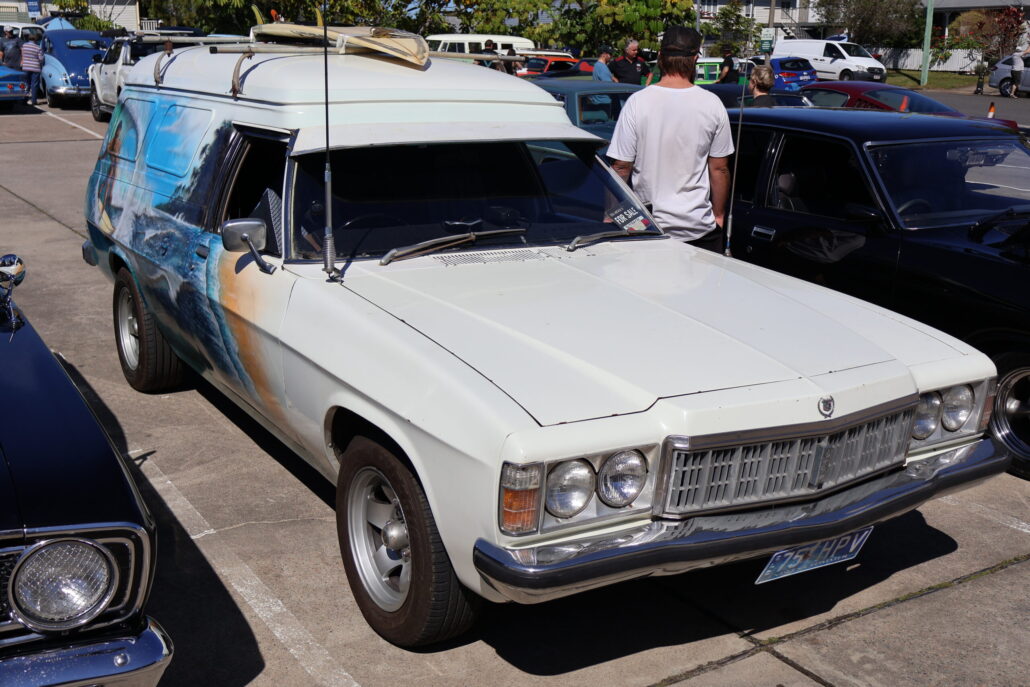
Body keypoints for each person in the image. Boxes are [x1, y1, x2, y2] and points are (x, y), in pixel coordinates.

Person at [607, 25, 733, 253]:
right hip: (699, 228)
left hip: (647, 227)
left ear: (661, 57)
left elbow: (621, 166)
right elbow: (719, 169)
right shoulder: (712, 104)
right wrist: (719, 215)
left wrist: (610, 215)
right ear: (695, 59)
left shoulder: (637, 102)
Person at [20, 33, 43, 107]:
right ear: (35, 39)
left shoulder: (24, 46)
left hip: (26, 67)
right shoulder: (38, 47)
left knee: (26, 84)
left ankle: (24, 99)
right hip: (35, 68)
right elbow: (41, 59)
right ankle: (34, 100)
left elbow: (22, 55)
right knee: (34, 85)